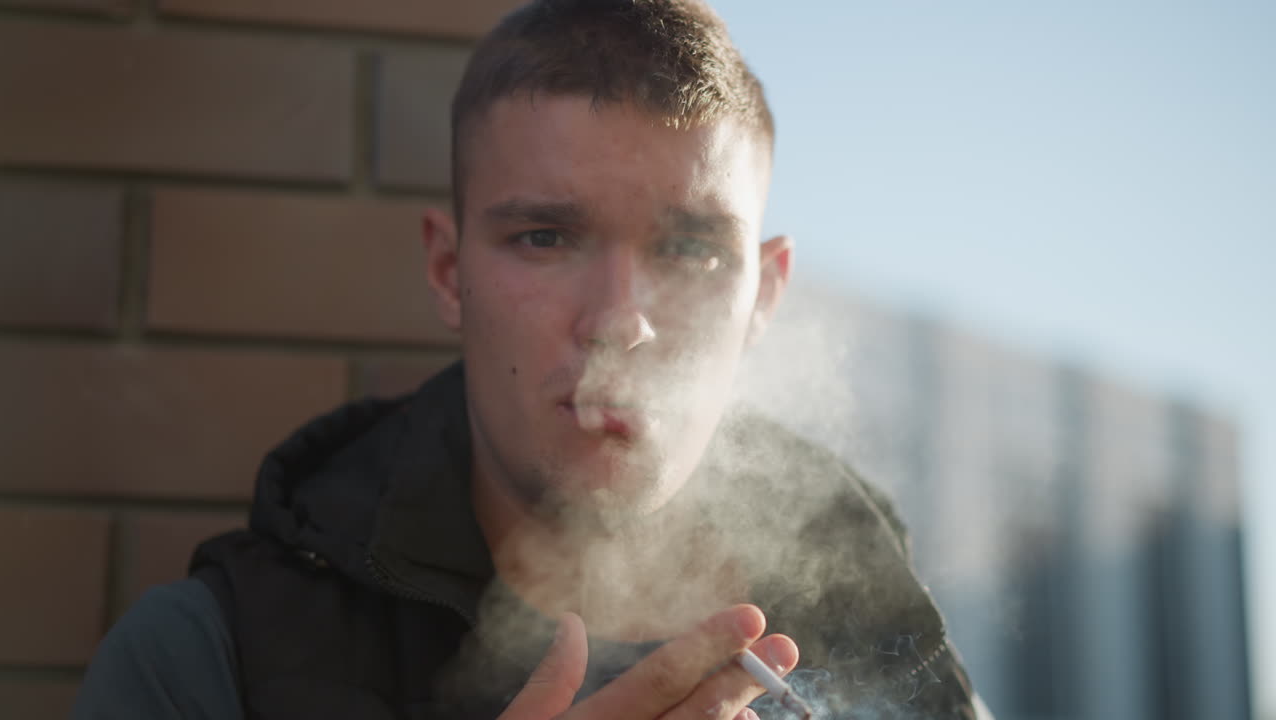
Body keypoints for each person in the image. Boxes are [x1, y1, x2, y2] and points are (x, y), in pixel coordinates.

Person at [74, 1, 984, 718]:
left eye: (694, 250)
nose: (620, 322)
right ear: (448, 270)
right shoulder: (213, 658)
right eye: (546, 237)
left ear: (765, 295)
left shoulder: (895, 654)